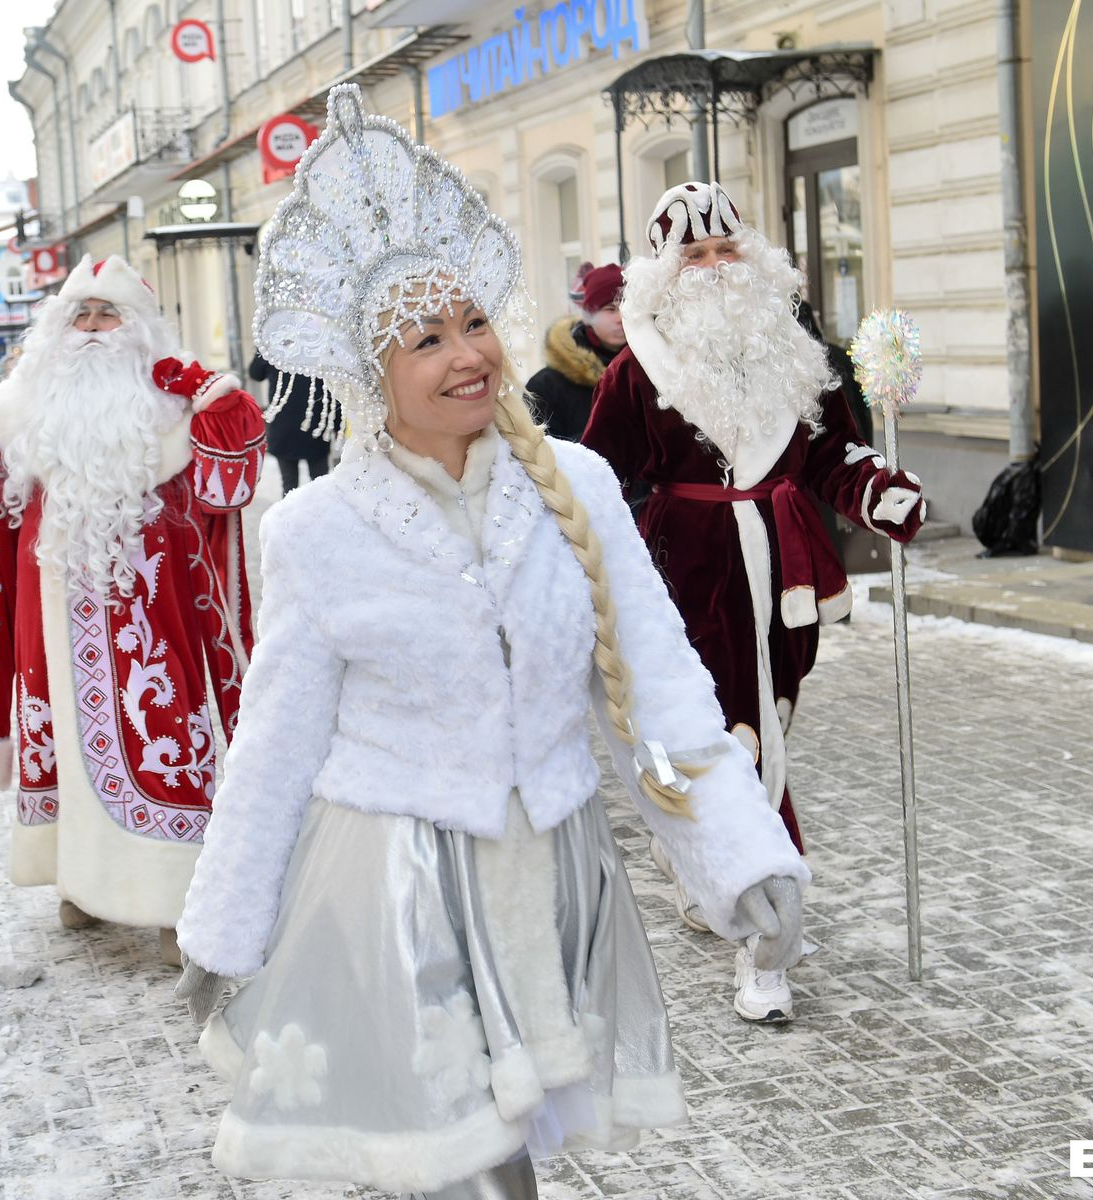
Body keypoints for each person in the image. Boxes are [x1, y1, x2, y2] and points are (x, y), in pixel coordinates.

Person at [172, 86, 806, 1200]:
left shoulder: (582, 488)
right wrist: (224, 927)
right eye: (428, 339)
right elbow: (273, 744)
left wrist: (739, 856)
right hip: (400, 891)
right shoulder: (315, 533)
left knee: (511, 1155)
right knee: (457, 1166)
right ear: (373, 378)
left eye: (474, 323)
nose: (469, 355)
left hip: (550, 877)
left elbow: (656, 689)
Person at [580, 182, 926, 1023]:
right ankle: (765, 937)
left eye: (724, 248)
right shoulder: (637, 370)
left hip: (783, 571)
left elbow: (832, 451)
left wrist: (878, 490)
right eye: (692, 255)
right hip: (684, 569)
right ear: (663, 272)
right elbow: (595, 476)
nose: (712, 266)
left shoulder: (791, 350)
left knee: (766, 727)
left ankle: (708, 859)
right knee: (740, 744)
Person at [0, 254, 265, 960]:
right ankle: (78, 884)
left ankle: (177, 901)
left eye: (107, 314)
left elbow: (230, 484)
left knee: (164, 739)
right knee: (64, 748)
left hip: (150, 614)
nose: (90, 327)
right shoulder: (19, 407)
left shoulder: (174, 405)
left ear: (137, 328)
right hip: (46, 617)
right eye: (79, 313)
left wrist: (208, 391)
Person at [522, 262, 625, 441]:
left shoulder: (653, 371)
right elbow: (536, 452)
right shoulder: (545, 386)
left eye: (627, 306)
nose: (621, 317)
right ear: (589, 316)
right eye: (610, 309)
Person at [246, 351, 330, 493]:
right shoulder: (317, 344)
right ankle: (323, 514)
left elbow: (255, 373)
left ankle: (293, 515)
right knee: (320, 484)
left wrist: (262, 346)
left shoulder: (275, 345)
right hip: (315, 424)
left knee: (289, 484)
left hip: (285, 426)